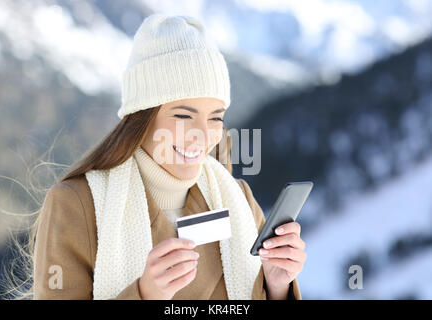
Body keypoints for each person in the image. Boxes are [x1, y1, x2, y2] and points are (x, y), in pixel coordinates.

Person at [32, 13, 306, 300]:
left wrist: (277, 286)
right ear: (143, 117)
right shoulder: (75, 204)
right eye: (183, 116)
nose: (203, 134)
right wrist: (143, 294)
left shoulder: (240, 201)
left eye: (215, 118)